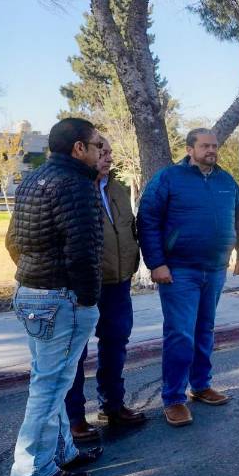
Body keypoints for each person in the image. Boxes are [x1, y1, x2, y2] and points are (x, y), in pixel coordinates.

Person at [5, 118, 104, 476]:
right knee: (49, 386)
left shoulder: (34, 179)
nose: (100, 152)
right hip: (60, 297)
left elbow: (15, 240)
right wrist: (88, 299)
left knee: (50, 380)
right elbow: (82, 251)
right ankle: (30, 469)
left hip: (32, 291)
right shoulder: (76, 184)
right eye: (96, 145)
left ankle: (61, 451)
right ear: (79, 148)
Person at [138, 128, 239, 427]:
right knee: (180, 334)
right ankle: (173, 398)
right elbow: (147, 220)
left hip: (215, 269)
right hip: (179, 271)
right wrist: (156, 263)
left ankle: (201, 385)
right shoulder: (168, 178)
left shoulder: (226, 181)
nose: (211, 150)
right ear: (190, 149)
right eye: (205, 146)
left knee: (205, 330)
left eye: (214, 145)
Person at [64, 135, 148, 440]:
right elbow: (22, 241)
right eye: (102, 151)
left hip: (118, 284)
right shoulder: (68, 188)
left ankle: (112, 405)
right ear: (83, 151)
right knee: (75, 352)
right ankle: (74, 418)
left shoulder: (117, 189)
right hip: (80, 288)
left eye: (111, 152)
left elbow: (129, 230)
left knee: (115, 344)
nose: (109, 157)